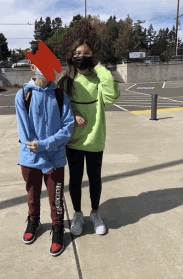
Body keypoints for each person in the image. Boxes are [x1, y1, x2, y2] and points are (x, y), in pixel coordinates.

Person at [57, 38, 120, 236]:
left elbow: (112, 96)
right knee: (75, 179)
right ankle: (77, 213)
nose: (81, 57)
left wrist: (99, 68)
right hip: (74, 141)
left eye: (86, 54)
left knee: (94, 179)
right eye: (77, 54)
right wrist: (73, 115)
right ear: (71, 57)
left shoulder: (99, 80)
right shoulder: (65, 81)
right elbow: (58, 107)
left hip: (95, 139)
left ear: (93, 58)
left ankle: (95, 212)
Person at [15, 48, 75, 256]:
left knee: (56, 198)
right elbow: (25, 136)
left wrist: (46, 146)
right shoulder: (23, 95)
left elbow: (67, 128)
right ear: (33, 67)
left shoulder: (60, 95)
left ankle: (58, 229)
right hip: (31, 160)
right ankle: (34, 221)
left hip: (56, 159)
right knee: (32, 195)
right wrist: (43, 162)